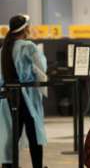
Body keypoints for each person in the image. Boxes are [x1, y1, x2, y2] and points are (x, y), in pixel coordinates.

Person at [0, 15, 48, 168]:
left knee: (13, 134)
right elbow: (42, 69)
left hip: (9, 95)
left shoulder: (3, 48)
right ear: (25, 28)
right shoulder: (28, 46)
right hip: (27, 96)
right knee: (33, 133)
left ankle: (8, 165)